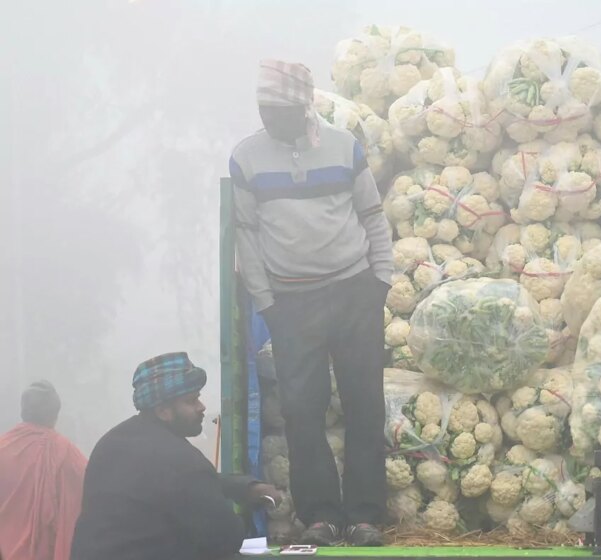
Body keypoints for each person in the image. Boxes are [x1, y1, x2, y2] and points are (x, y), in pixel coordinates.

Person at [230, 61, 392, 547]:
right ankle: (320, 515)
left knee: (365, 405)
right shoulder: (246, 158)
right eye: (263, 108)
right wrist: (267, 304)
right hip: (292, 303)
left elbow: (373, 216)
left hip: (353, 291)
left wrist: (380, 280)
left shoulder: (345, 148)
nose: (268, 117)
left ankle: (364, 517)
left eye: (278, 109)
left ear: (304, 108)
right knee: (303, 411)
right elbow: (247, 236)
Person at [71, 352, 282, 560]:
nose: (202, 407)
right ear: (163, 411)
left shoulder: (112, 443)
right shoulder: (181, 460)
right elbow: (225, 537)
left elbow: (167, 482)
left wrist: (243, 486)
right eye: (191, 401)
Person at [0, 381, 87, 560]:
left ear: (23, 411)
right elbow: (92, 493)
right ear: (55, 415)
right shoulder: (66, 453)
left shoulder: (3, 448)